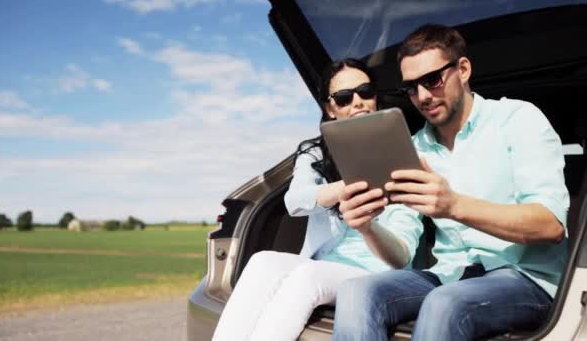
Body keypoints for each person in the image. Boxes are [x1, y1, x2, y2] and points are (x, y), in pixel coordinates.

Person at [332, 24, 569, 341]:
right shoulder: (412, 149)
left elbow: (550, 226)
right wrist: (367, 228)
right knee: (356, 290)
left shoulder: (517, 119)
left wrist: (455, 206)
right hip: (449, 277)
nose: (423, 97)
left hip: (527, 279)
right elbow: (401, 255)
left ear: (464, 69)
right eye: (412, 88)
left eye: (432, 80)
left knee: (444, 303)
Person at [211, 58, 395, 341]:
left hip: (377, 269)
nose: (357, 101)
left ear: (375, 98)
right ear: (330, 109)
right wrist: (346, 186)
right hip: (325, 263)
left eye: (365, 91)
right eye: (344, 98)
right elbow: (295, 201)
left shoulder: (403, 146)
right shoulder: (315, 153)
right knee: (262, 261)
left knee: (306, 278)